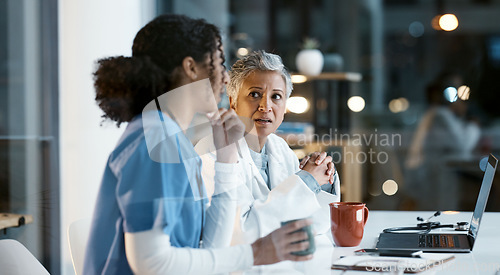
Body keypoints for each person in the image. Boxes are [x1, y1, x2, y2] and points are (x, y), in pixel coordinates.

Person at [84, 15, 314, 275]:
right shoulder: (155, 141)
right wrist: (256, 252)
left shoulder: (174, 140)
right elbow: (151, 264)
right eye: (219, 63)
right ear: (191, 68)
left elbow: (212, 248)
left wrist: (226, 157)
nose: (226, 78)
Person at [195, 50, 340, 245]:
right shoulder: (212, 152)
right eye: (255, 94)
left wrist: (321, 179)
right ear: (233, 102)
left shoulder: (279, 148)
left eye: (276, 96)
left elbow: (313, 226)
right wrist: (305, 182)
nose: (266, 106)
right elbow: (239, 233)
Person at [405, 71, 481, 210]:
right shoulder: (440, 115)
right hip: (435, 179)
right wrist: (473, 125)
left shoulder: (438, 115)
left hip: (436, 176)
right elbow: (462, 145)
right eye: (453, 89)